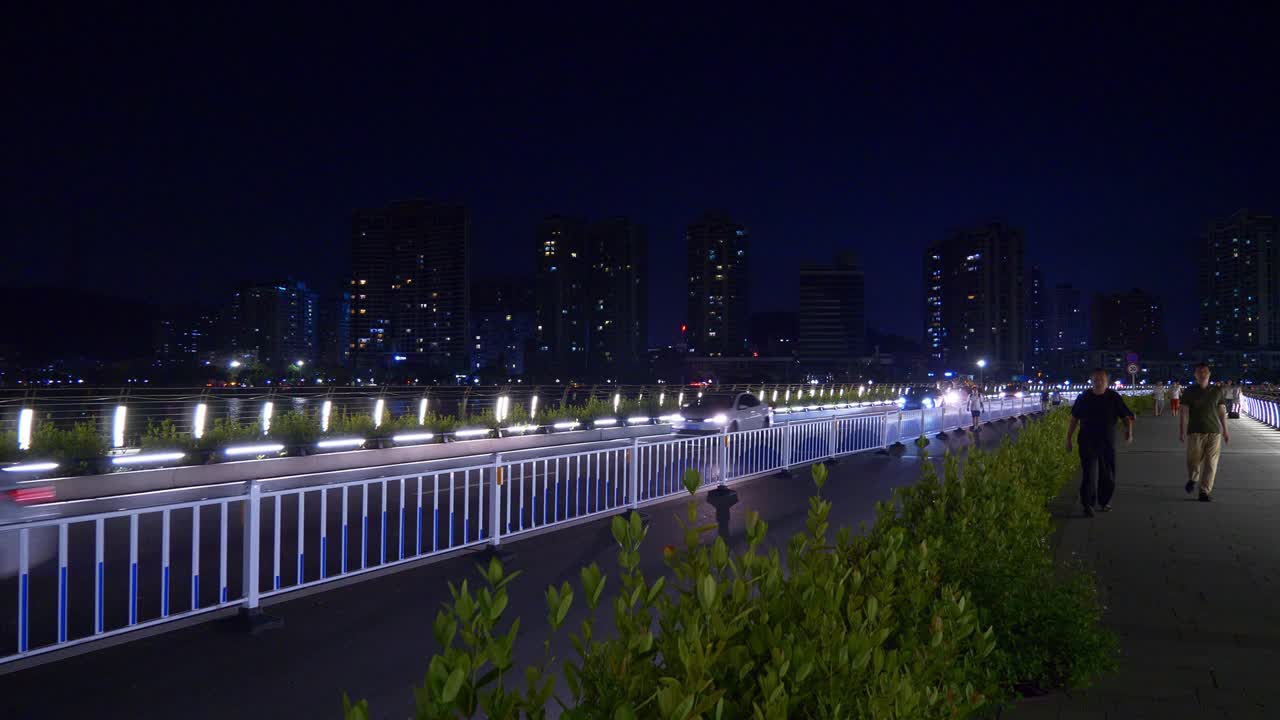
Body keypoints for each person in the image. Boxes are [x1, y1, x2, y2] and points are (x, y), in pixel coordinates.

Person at [1067, 368, 1135, 517]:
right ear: (1091, 382)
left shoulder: (1114, 397)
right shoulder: (1084, 397)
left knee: (1108, 473)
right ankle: (1088, 505)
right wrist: (1068, 439)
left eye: (1101, 380)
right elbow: (1074, 419)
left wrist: (1129, 433)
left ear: (1107, 382)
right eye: (1095, 380)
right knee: (1088, 473)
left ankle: (1104, 501)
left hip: (1107, 442)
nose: (1098, 383)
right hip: (1086, 440)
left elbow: (1126, 417)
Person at [1180, 363, 1229, 502]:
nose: (1203, 374)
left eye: (1205, 372)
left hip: (1214, 431)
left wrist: (1225, 430)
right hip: (1195, 431)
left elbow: (1221, 411)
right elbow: (1183, 412)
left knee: (1211, 463)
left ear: (1209, 374)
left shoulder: (1217, 391)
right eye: (1199, 372)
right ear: (1195, 375)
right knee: (1193, 460)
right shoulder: (1189, 391)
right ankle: (1193, 479)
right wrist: (1181, 431)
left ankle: (1204, 492)